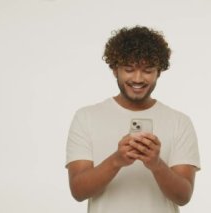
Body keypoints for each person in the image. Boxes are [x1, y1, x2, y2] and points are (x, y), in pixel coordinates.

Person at [66, 26, 201, 213]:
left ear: (159, 72)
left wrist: (156, 164)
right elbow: (78, 191)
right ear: (115, 70)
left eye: (147, 70)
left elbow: (183, 196)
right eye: (129, 69)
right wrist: (116, 160)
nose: (138, 78)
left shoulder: (179, 122)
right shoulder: (86, 117)